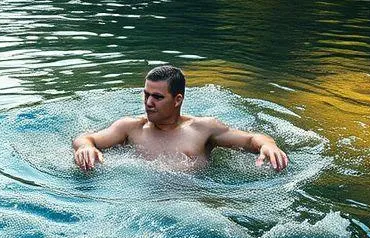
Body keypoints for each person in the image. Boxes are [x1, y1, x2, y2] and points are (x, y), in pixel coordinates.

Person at [72, 65, 289, 171]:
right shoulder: (131, 128)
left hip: (194, 202)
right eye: (146, 95)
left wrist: (269, 146)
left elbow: (251, 139)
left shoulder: (202, 129)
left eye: (157, 97)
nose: (148, 103)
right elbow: (86, 139)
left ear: (177, 100)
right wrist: (85, 148)